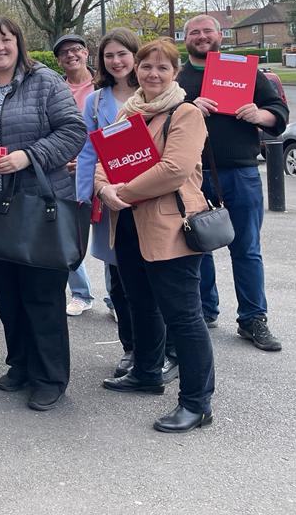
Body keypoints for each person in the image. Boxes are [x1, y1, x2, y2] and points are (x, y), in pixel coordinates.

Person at [0, 18, 86, 411]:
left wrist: (29, 155)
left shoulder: (45, 82)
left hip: (35, 204)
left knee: (41, 296)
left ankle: (50, 376)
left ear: (19, 44)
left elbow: (72, 131)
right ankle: (21, 364)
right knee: (7, 294)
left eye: (5, 40)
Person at [96, 38, 216, 433]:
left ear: (174, 73)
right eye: (147, 66)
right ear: (137, 70)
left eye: (162, 68)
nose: (153, 73)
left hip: (170, 227)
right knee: (139, 303)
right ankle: (147, 373)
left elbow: (174, 169)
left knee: (183, 316)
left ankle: (196, 403)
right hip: (128, 225)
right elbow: (104, 161)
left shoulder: (185, 114)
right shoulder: (128, 114)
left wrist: (122, 193)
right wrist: (104, 189)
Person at [177, 15, 288, 351]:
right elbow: (160, 117)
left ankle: (253, 319)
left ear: (220, 35)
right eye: (193, 32)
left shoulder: (243, 71)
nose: (201, 36)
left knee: (247, 248)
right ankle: (205, 309)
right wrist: (188, 107)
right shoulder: (178, 77)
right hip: (194, 175)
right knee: (197, 246)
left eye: (207, 30)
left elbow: (278, 112)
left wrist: (261, 115)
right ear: (186, 39)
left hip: (240, 172)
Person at [76, 28, 175, 383]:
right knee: (120, 281)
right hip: (112, 202)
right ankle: (132, 349)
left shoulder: (154, 93)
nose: (116, 61)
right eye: (108, 55)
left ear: (135, 56)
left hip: (154, 202)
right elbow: (90, 150)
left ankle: (166, 352)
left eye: (122, 54)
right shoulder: (96, 101)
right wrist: (87, 193)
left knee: (157, 282)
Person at [53, 32, 96, 317]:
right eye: (65, 52)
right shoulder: (55, 89)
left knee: (109, 237)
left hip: (100, 171)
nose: (71, 55)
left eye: (76, 50)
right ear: (58, 60)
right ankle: (81, 293)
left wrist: (88, 163)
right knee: (70, 235)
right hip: (65, 172)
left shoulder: (103, 87)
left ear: (86, 53)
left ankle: (116, 299)